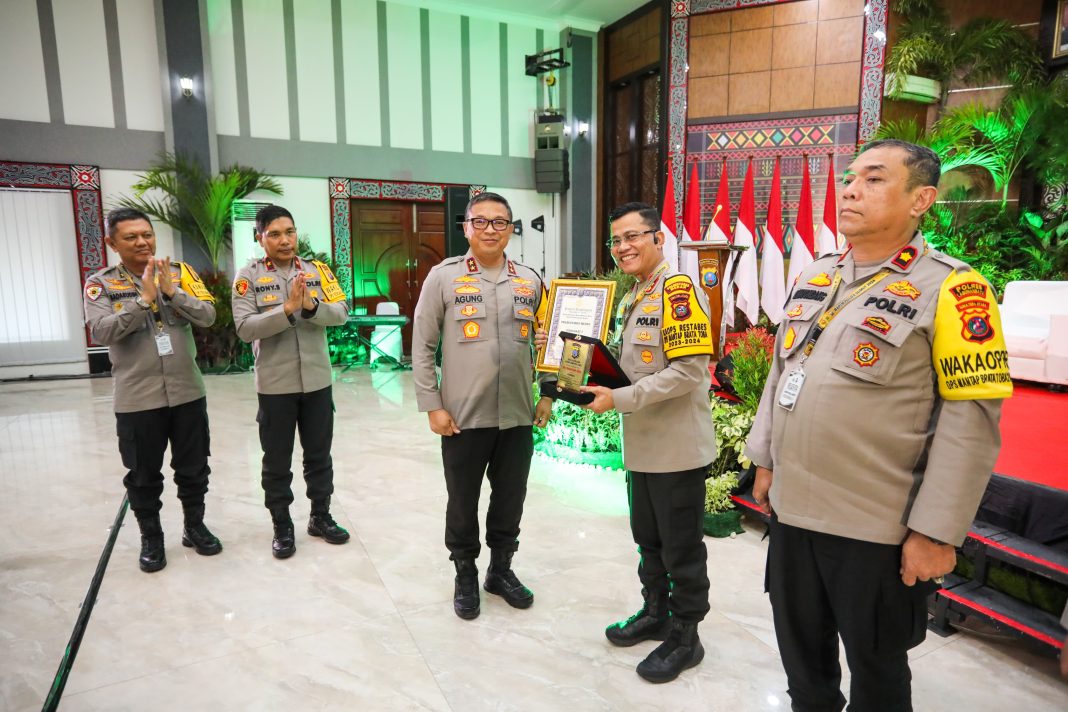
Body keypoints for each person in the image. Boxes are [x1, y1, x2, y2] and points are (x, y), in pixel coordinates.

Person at [745, 139, 1013, 710]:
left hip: (875, 528)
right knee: (802, 662)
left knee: (877, 670)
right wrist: (765, 458)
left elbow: (971, 425)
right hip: (794, 514)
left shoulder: (954, 288)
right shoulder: (818, 274)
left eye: (873, 179)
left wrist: (937, 532)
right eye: (849, 179)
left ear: (922, 199)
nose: (850, 189)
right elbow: (781, 370)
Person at [581, 201, 716, 684]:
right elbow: (631, 366)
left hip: (676, 448)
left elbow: (687, 372)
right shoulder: (635, 294)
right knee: (649, 540)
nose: (623, 247)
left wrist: (619, 399)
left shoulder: (677, 291)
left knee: (682, 548)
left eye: (634, 236)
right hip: (643, 445)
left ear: (658, 239)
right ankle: (655, 611)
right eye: (616, 240)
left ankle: (686, 635)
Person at [412, 191, 553, 621]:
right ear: (466, 227)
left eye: (500, 222)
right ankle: (465, 572)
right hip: (463, 416)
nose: (491, 229)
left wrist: (547, 391)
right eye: (482, 221)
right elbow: (422, 346)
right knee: (462, 500)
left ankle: (501, 570)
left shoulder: (530, 280)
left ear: (511, 228)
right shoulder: (444, 277)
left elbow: (549, 344)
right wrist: (432, 404)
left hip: (517, 414)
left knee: (511, 499)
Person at [84, 207, 221, 572]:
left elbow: (209, 316)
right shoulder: (101, 283)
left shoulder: (180, 273)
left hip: (187, 390)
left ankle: (194, 527)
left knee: (194, 468)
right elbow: (101, 332)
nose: (142, 241)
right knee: (143, 475)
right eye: (131, 237)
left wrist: (171, 293)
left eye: (147, 234)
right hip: (137, 397)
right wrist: (142, 300)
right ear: (113, 243)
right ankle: (152, 538)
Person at [232, 205, 350, 559]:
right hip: (275, 386)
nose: (285, 240)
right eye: (275, 234)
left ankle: (320, 516)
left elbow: (342, 313)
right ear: (260, 237)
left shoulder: (317, 270)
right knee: (277, 459)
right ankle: (282, 524)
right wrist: (285, 310)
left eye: (290, 232)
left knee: (319, 455)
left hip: (316, 382)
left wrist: (312, 308)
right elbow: (244, 328)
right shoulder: (248, 277)